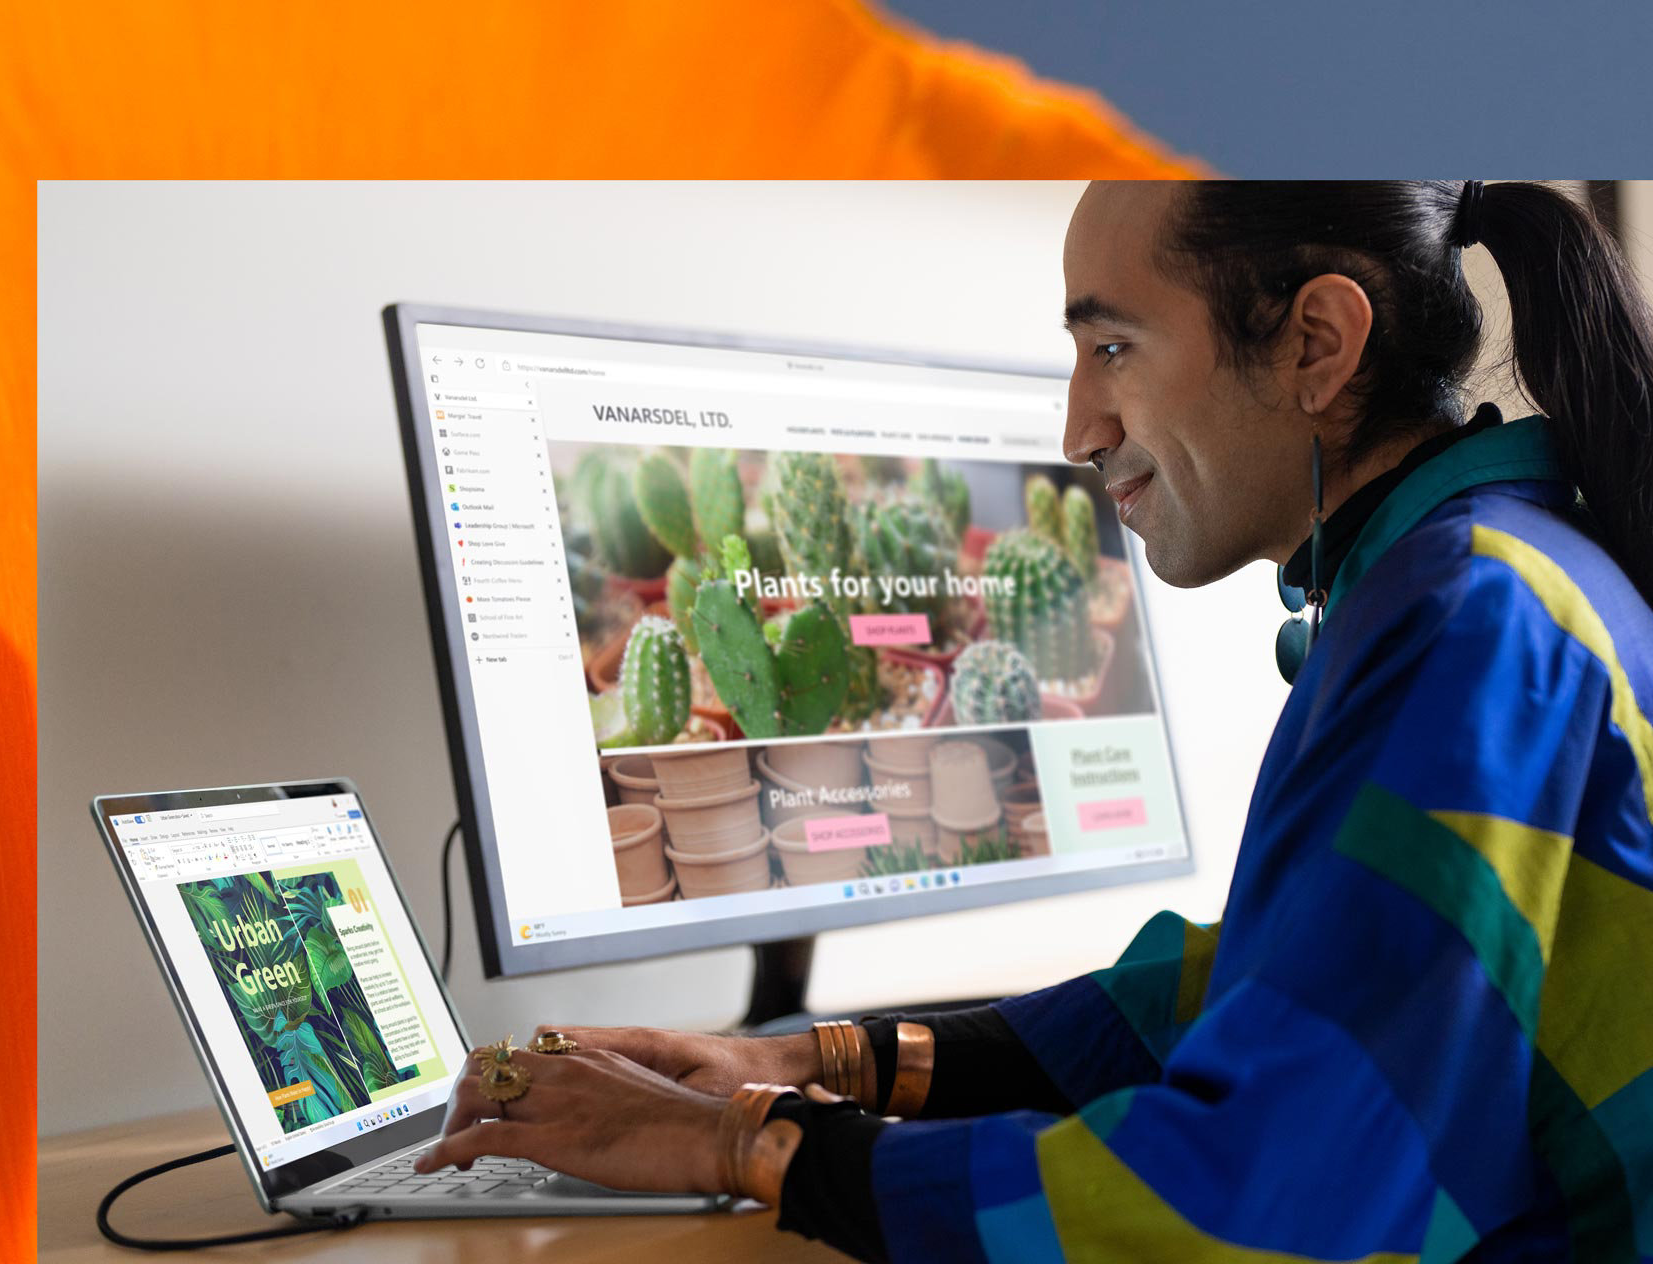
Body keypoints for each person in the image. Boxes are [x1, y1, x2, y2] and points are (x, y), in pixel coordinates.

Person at [415, 180, 1653, 1260]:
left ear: (1316, 345)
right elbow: (1292, 976)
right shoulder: (1496, 572)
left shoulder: (1472, 620)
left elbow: (1247, 1205)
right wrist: (803, 1062)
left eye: (1111, 349)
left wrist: (743, 1144)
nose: (1078, 431)